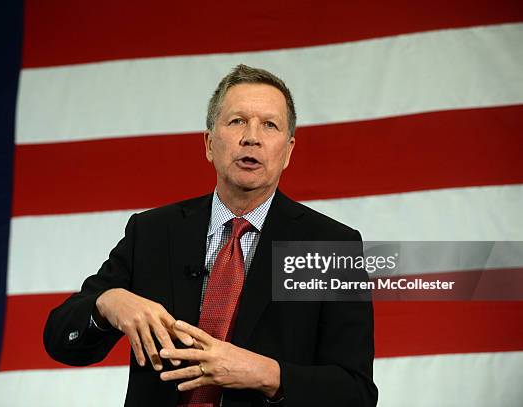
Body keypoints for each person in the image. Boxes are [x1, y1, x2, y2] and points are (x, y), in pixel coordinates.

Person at [43, 64, 378, 406]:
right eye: (236, 121)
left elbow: (356, 393)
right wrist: (106, 303)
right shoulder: (153, 233)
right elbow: (60, 340)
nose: (252, 136)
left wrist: (264, 373)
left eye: (270, 125)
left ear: (288, 151)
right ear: (208, 143)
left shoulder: (328, 246)